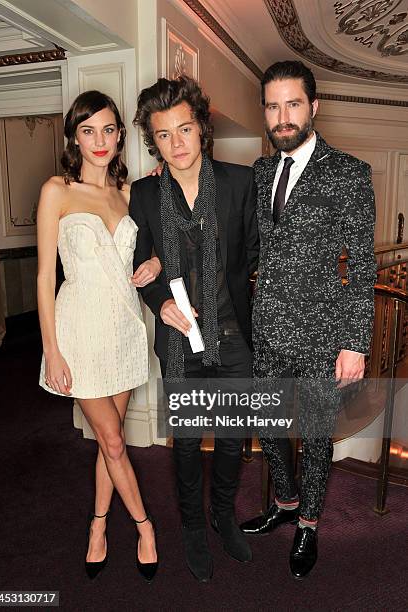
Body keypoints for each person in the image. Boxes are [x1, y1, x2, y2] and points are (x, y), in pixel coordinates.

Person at [240, 61, 376, 578]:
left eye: (293, 103)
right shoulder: (258, 170)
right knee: (269, 424)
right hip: (268, 328)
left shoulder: (349, 173)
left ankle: (310, 525)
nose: (282, 116)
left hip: (323, 335)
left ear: (313, 106)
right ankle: (288, 501)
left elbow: (361, 266)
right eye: (273, 106)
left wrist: (354, 342)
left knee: (315, 433)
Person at [130, 76, 259, 582]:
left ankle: (222, 517)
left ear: (202, 128)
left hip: (232, 337)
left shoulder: (238, 182)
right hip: (180, 341)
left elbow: (252, 254)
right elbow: (141, 263)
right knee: (185, 442)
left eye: (185, 129)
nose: (177, 143)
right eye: (164, 135)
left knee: (231, 437)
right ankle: (190, 527)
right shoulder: (143, 194)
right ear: (154, 142)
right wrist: (159, 301)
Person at [37, 90, 160, 582]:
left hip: (126, 329)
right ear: (74, 137)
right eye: (88, 131)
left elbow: (151, 254)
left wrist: (152, 264)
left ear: (119, 134)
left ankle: (98, 523)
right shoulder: (57, 191)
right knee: (112, 440)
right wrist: (51, 349)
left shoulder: (129, 195)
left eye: (109, 129)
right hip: (79, 333)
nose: (100, 140)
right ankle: (145, 527)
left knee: (111, 445)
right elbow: (46, 277)